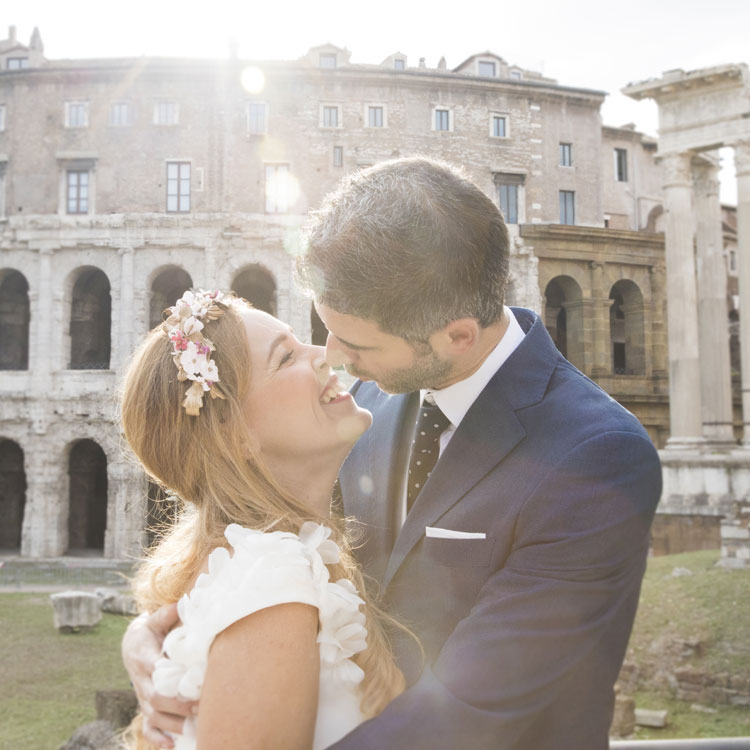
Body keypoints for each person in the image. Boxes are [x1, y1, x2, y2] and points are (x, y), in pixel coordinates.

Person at [124, 158, 662, 749]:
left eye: (355, 342)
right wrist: (172, 641)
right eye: (322, 329)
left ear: (456, 335)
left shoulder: (596, 458)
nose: (331, 356)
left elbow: (471, 713)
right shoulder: (353, 405)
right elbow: (256, 531)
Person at [119, 289, 405, 750]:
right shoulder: (272, 579)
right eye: (287, 355)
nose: (324, 353)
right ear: (236, 435)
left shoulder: (263, 565)